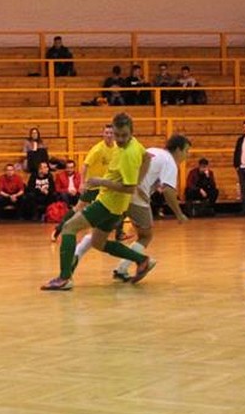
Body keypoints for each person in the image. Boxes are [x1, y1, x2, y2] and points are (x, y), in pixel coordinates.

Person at [41, 112, 155, 291]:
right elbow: (147, 157)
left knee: (69, 227)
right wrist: (139, 181)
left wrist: (100, 181)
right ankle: (142, 260)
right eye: (117, 135)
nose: (120, 139)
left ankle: (64, 278)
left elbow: (129, 188)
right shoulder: (134, 143)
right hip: (117, 206)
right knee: (98, 242)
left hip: (107, 203)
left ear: (131, 133)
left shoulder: (128, 154)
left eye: (124, 135)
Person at [110, 134, 191, 282]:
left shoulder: (154, 151)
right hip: (136, 196)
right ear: (178, 150)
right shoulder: (169, 162)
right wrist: (179, 214)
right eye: (186, 151)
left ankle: (119, 267)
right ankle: (125, 267)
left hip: (121, 191)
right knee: (145, 236)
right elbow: (168, 191)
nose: (188, 155)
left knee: (101, 233)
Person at [52, 123, 117, 242]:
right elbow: (85, 166)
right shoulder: (97, 149)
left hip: (105, 185)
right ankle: (59, 229)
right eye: (106, 133)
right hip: (93, 185)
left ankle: (116, 233)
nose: (109, 135)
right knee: (78, 208)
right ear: (103, 134)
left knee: (115, 207)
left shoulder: (116, 148)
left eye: (111, 133)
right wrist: (82, 183)